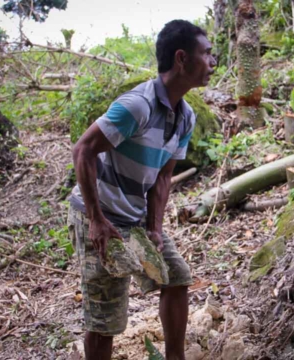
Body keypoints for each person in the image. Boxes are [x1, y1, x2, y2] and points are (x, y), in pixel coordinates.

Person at [68, 20, 216, 360]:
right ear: (181, 58)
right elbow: (83, 151)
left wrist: (154, 227)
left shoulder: (185, 117)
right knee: (106, 318)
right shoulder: (138, 106)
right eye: (206, 53)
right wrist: (95, 220)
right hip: (99, 213)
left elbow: (163, 178)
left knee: (177, 277)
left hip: (135, 218)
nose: (211, 62)